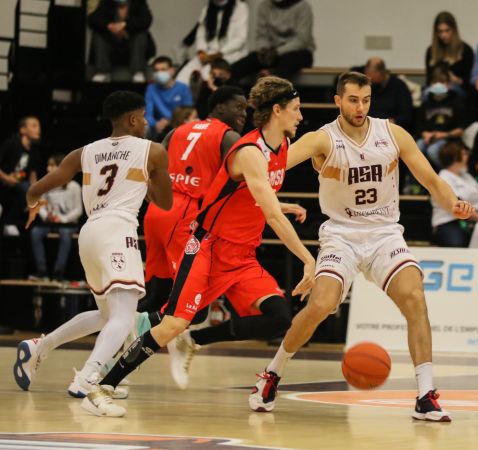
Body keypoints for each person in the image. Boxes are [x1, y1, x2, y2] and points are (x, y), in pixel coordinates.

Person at [246, 71, 474, 422]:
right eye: (353, 100)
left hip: (384, 233)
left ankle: (425, 394)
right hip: (341, 234)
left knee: (415, 297)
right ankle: (272, 374)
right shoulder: (323, 139)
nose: (360, 107)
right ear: (338, 100)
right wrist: (246, 172)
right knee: (321, 305)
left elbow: (429, 178)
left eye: (366, 99)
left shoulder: (392, 133)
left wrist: (454, 202)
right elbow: (269, 164)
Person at [84, 77, 316, 418]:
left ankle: (193, 341)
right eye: (295, 110)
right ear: (277, 111)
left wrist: (284, 205)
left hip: (241, 255)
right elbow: (267, 210)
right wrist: (308, 258)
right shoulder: (249, 151)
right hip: (208, 247)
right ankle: (101, 386)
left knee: (279, 317)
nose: (300, 116)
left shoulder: (280, 148)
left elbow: (256, 198)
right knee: (172, 323)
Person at [12, 91, 172, 405]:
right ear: (133, 119)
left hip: (89, 232)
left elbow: (35, 189)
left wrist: (33, 202)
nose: (147, 122)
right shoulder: (153, 151)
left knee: (106, 314)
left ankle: (39, 348)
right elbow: (164, 202)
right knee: (124, 318)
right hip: (117, 230)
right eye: (144, 116)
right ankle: (88, 378)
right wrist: (153, 174)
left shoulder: (83, 152)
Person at [139, 86, 248, 317]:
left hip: (157, 211)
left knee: (156, 294)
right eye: (238, 107)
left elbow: (151, 168)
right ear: (219, 107)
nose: (244, 113)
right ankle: (131, 331)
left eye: (246, 109)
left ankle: (125, 331)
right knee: (194, 306)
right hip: (186, 213)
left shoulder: (177, 130)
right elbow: (241, 181)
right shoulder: (229, 136)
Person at [229, 0, 315, 84]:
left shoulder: (303, 6)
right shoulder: (264, 6)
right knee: (243, 65)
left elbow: (301, 40)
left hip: (298, 53)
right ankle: (228, 92)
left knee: (286, 66)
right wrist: (264, 49)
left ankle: (274, 93)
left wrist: (277, 52)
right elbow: (261, 35)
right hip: (271, 53)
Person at [28, 154, 83, 281]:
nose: (48, 168)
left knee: (65, 234)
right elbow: (40, 204)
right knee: (35, 232)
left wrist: (62, 219)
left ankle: (59, 272)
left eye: (52, 165)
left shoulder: (74, 186)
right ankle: (42, 271)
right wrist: (46, 215)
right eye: (48, 165)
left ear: (60, 167)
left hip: (67, 223)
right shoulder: (48, 184)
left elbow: (78, 210)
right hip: (50, 222)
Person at [175, 0, 248, 86]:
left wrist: (219, 54)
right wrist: (201, 51)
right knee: (183, 76)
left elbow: (240, 39)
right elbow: (200, 34)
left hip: (229, 54)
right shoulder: (207, 8)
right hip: (207, 53)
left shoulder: (240, 7)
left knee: (207, 74)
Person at [431, 140, 478, 247]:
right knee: (457, 244)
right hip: (449, 222)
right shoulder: (444, 177)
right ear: (455, 156)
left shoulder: (465, 175)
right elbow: (458, 204)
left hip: (473, 221)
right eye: (464, 153)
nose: (467, 156)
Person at [88, 0, 153, 83]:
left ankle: (137, 72)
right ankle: (102, 72)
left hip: (131, 46)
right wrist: (109, 26)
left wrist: (125, 25)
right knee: (98, 35)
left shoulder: (139, 2)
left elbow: (147, 20)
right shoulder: (106, 2)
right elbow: (92, 19)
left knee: (141, 35)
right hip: (111, 45)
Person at [416, 66, 469, 168]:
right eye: (435, 82)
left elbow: (461, 129)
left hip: (449, 138)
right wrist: (425, 134)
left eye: (442, 81)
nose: (438, 85)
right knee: (418, 146)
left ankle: (446, 175)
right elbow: (419, 126)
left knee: (433, 150)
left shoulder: (456, 102)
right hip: (430, 138)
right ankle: (421, 178)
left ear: (449, 84)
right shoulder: (426, 104)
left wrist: (444, 135)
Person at [0, 116, 42, 236]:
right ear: (23, 130)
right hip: (3, 179)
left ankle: (10, 222)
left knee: (27, 189)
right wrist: (6, 178)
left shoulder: (34, 152)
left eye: (39, 126)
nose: (38, 129)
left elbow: (33, 177)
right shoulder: (12, 143)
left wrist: (34, 198)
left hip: (17, 185)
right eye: (34, 126)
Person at [425, 11, 474, 98]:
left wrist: (456, 80)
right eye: (440, 32)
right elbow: (428, 79)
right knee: (426, 94)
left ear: (453, 30)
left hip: (457, 88)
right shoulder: (431, 51)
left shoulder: (465, 50)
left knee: (449, 92)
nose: (444, 35)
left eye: (447, 31)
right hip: (435, 88)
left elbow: (470, 81)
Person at [145, 56, 194, 138]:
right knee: (144, 127)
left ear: (172, 71)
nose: (159, 73)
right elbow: (148, 114)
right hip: (157, 127)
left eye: (163, 69)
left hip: (178, 125)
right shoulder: (151, 88)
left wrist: (170, 122)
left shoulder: (183, 88)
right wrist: (155, 124)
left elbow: (187, 113)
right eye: (156, 70)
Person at [363, 57, 413, 130]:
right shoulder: (367, 85)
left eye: (371, 74)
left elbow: (406, 115)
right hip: (368, 126)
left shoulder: (399, 86)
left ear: (381, 72)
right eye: (367, 73)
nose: (369, 77)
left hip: (391, 127)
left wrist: (392, 122)